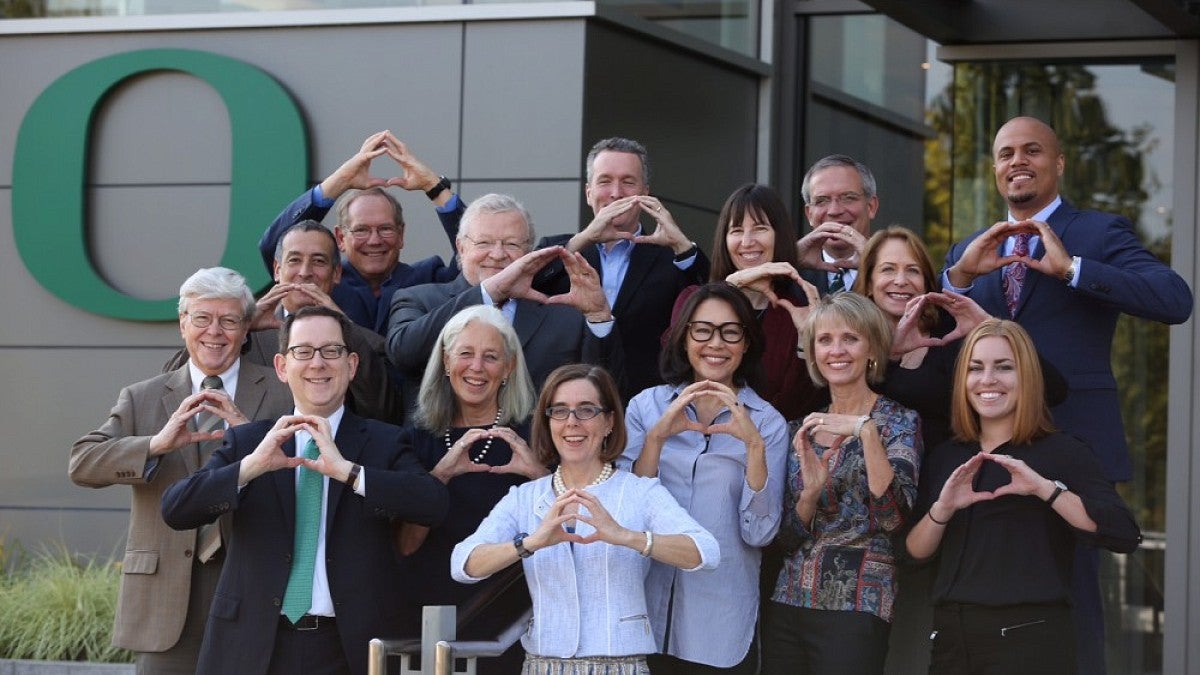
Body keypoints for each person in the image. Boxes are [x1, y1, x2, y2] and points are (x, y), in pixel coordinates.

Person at [941, 116, 1192, 673]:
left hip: (1072, 449)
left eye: (1032, 151)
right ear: (995, 168)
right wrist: (955, 279)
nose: (1017, 162)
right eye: (1006, 153)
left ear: (1058, 163)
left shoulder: (1099, 234)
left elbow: (1175, 299)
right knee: (984, 607)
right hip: (986, 460)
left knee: (1075, 611)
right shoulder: (970, 249)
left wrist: (1073, 269)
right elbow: (934, 342)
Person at [161, 305, 449, 675]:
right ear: (282, 366)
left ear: (352, 365)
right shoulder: (249, 441)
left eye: (331, 351)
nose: (318, 363)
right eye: (303, 352)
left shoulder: (384, 442)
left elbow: (433, 505)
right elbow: (176, 509)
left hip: (350, 648)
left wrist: (350, 473)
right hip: (251, 645)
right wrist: (251, 467)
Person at [69, 267, 293, 674]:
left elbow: (304, 475)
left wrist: (247, 432)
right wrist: (154, 445)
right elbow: (83, 463)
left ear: (247, 330)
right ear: (182, 324)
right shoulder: (144, 396)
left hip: (251, 581)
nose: (215, 332)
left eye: (229, 320)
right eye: (202, 318)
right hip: (165, 594)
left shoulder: (283, 390)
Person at [904, 319, 1141, 675]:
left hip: (1032, 640)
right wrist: (943, 508)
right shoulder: (946, 456)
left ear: (1027, 376)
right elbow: (912, 554)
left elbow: (1123, 533)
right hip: (952, 639)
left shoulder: (1063, 452)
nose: (987, 380)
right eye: (975, 368)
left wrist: (1045, 489)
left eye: (1004, 367)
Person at [451, 364, 720, 674]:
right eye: (560, 411)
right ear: (547, 421)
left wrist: (625, 536)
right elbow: (463, 564)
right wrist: (531, 543)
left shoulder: (639, 492)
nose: (572, 423)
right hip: (543, 667)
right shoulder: (524, 498)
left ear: (609, 422)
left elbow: (706, 552)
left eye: (586, 410)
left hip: (621, 668)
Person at [622, 282, 789, 673]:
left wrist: (754, 449)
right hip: (641, 614)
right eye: (702, 330)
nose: (716, 343)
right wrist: (657, 438)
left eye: (731, 331)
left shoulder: (768, 424)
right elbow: (627, 514)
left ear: (746, 343)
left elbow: (760, 534)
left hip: (718, 623)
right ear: (684, 339)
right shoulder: (645, 408)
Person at [762, 291, 922, 675]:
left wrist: (866, 434)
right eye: (825, 340)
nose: (837, 350)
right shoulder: (798, 429)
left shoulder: (898, 422)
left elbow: (893, 519)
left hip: (858, 603)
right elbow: (783, 536)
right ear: (814, 353)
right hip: (790, 598)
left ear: (872, 349)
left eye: (850, 338)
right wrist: (810, 495)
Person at [394, 305, 543, 674]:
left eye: (491, 357)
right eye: (465, 354)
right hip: (430, 624)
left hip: (514, 624)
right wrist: (440, 476)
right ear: (446, 362)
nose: (476, 367)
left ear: (508, 368)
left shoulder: (535, 438)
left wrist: (538, 475)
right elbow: (405, 545)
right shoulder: (414, 442)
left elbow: (570, 532)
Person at [386, 193, 623, 417]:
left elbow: (606, 391)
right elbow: (404, 353)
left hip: (535, 454)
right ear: (460, 247)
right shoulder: (418, 300)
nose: (498, 254)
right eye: (484, 243)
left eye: (511, 245)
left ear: (529, 251)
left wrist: (598, 316)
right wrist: (488, 293)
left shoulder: (564, 318)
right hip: (440, 454)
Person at [167, 220, 403, 423]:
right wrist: (243, 325)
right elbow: (172, 387)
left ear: (337, 274)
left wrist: (344, 329)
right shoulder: (244, 334)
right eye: (294, 260)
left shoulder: (365, 342)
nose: (304, 272)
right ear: (277, 270)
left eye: (318, 261)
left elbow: (384, 413)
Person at [536, 137, 710, 398]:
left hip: (642, 409)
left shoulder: (672, 259)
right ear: (588, 193)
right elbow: (526, 286)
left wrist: (683, 246)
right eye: (605, 181)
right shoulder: (560, 250)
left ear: (645, 194)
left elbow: (711, 297)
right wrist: (583, 240)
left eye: (628, 182)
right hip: (565, 408)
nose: (616, 193)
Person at [258, 131, 461, 334]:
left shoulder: (427, 278)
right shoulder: (323, 279)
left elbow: (476, 258)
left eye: (385, 229)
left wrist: (433, 187)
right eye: (361, 230)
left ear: (401, 235)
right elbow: (275, 245)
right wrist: (341, 180)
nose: (374, 240)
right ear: (340, 238)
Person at [672, 183, 824, 420]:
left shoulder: (795, 311)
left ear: (779, 235)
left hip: (765, 443)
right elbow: (673, 367)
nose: (747, 241)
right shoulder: (693, 299)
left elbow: (797, 405)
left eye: (760, 228)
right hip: (691, 435)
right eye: (736, 230)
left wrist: (806, 338)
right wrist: (733, 285)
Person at [796, 155, 878, 294]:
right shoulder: (789, 277)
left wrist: (875, 265)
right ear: (809, 214)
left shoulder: (893, 276)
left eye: (848, 198)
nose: (834, 211)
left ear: (871, 207)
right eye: (821, 201)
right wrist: (791, 256)